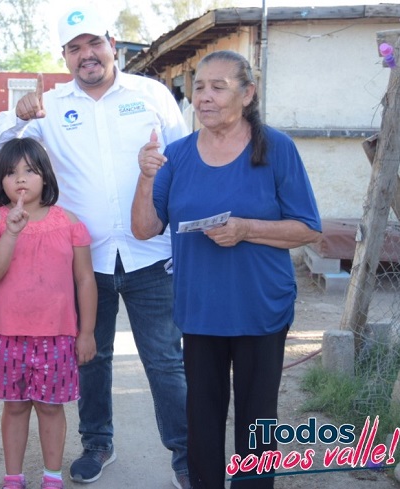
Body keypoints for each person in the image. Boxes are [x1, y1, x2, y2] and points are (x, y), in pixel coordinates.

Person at [0, 6, 191, 488]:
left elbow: (184, 163)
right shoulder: (51, 105)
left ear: (113, 45)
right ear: (65, 56)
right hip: (83, 260)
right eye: (75, 48)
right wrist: (16, 116)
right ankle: (97, 442)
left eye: (94, 43)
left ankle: (186, 453)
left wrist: (186, 240)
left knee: (164, 357)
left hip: (151, 252)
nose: (86, 55)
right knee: (90, 355)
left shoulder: (151, 95)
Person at [131, 50, 322, 488]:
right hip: (200, 308)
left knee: (257, 423)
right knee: (202, 421)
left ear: (248, 93)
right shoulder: (175, 156)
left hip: (260, 308)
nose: (205, 96)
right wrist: (145, 177)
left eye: (219, 86)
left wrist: (245, 229)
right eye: (198, 86)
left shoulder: (276, 148)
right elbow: (144, 229)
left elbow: (309, 229)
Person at [0, 137, 97, 489]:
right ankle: (13, 477)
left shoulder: (69, 222)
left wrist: (86, 332)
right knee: (14, 407)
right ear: (1, 180)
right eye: (11, 173)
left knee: (50, 408)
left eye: (30, 170)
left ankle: (52, 476)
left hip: (57, 336)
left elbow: (85, 280)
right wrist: (11, 232)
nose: (21, 179)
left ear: (46, 176)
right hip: (8, 335)